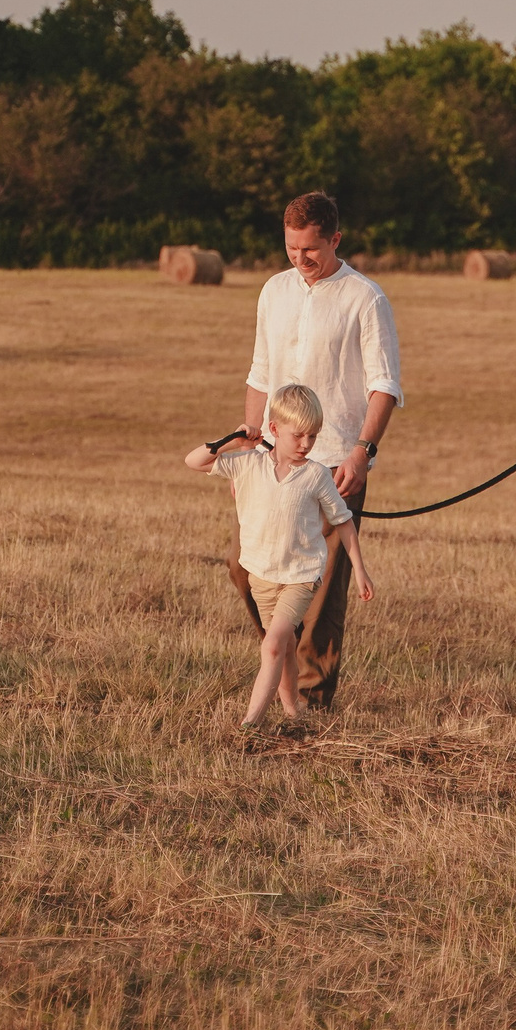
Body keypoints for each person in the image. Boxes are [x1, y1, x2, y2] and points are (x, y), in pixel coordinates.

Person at [231, 190, 402, 707]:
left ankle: (310, 697)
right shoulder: (273, 291)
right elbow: (261, 371)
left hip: (332, 462)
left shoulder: (365, 298)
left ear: (335, 239)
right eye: (291, 249)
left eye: (311, 250)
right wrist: (249, 435)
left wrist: (361, 451)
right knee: (246, 568)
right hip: (271, 461)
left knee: (322, 587)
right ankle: (279, 660)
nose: (301, 260)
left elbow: (385, 384)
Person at [189, 384, 374, 728]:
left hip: (301, 577)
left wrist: (360, 572)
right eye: (298, 435)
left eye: (313, 437)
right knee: (286, 645)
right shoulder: (247, 464)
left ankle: (250, 725)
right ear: (274, 430)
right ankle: (295, 716)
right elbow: (194, 461)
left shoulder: (317, 475)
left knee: (273, 646)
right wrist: (235, 439)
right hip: (261, 574)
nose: (306, 444)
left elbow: (344, 523)